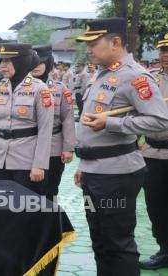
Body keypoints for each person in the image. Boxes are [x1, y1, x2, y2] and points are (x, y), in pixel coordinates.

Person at [74, 18, 168, 275]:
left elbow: (160, 118)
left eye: (93, 43)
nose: (89, 49)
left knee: (117, 242)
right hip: (95, 171)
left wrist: (111, 123)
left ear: (115, 42)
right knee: (100, 240)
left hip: (116, 174)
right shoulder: (102, 73)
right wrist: (84, 164)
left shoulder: (134, 76)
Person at [0, 43, 54, 196]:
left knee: (23, 209)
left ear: (21, 62)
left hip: (25, 162)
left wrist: (39, 165)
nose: (2, 66)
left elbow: (45, 130)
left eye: (7, 61)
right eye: (1, 61)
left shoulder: (40, 89)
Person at [32, 44, 77, 200]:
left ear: (49, 63)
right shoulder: (21, 88)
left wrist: (68, 148)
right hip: (27, 146)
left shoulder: (60, 89)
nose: (36, 66)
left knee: (50, 190)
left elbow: (68, 119)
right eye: (33, 62)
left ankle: (49, 222)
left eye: (41, 62)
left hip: (53, 147)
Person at [139, 33, 168, 270]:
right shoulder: (149, 80)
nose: (166, 56)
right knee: (155, 204)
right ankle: (165, 250)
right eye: (163, 50)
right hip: (153, 154)